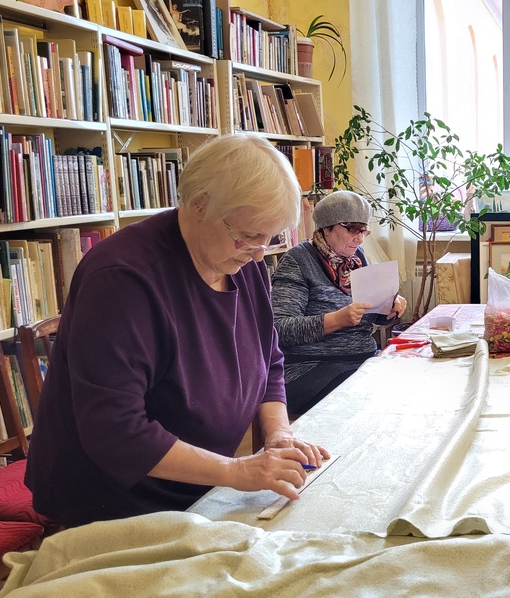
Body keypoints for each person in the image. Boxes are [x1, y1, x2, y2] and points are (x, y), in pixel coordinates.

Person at [25, 135, 331, 528]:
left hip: (199, 489)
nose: (260, 253)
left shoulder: (242, 260)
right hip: (114, 504)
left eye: (270, 239)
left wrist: (279, 434)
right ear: (200, 204)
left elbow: (269, 359)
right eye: (250, 236)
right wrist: (237, 472)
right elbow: (116, 432)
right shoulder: (121, 280)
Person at [271, 190, 406, 416]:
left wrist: (389, 306)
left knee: (410, 383)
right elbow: (279, 329)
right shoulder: (297, 260)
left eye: (364, 230)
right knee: (376, 399)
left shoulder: (356, 258)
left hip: (362, 360)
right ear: (327, 227)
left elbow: (368, 310)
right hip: (310, 367)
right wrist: (336, 320)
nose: (360, 238)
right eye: (352, 229)